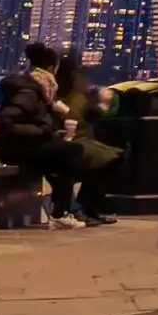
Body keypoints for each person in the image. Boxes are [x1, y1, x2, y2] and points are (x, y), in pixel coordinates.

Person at [0, 42, 84, 228]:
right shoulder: (29, 90)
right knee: (73, 152)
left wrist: (51, 132)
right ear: (51, 68)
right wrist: (43, 132)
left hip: (29, 146)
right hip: (18, 149)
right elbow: (7, 123)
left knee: (67, 158)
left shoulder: (41, 90)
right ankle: (61, 212)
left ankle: (62, 211)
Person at [51, 52, 119, 225]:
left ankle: (89, 207)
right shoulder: (56, 94)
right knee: (100, 160)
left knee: (111, 160)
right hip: (68, 142)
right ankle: (79, 208)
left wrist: (101, 104)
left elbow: (92, 115)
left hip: (81, 141)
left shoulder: (81, 95)